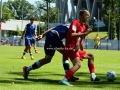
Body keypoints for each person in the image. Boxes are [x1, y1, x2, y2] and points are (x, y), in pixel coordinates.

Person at [59, 9, 100, 86]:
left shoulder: (83, 26)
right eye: (87, 16)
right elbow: (72, 34)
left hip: (75, 49)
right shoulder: (75, 23)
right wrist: (84, 33)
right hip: (70, 48)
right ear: (83, 15)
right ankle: (64, 80)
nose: (87, 18)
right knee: (77, 65)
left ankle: (93, 76)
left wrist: (82, 51)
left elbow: (80, 39)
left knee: (90, 56)